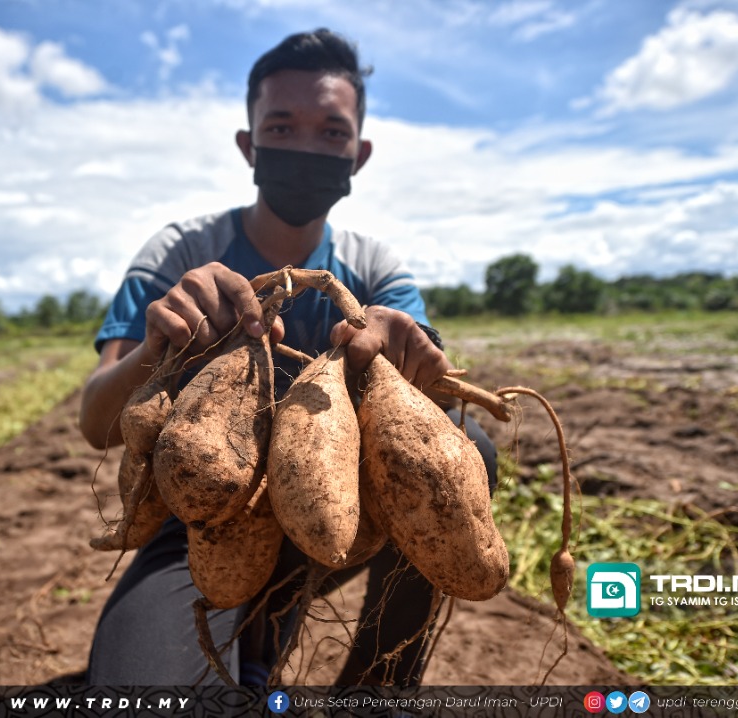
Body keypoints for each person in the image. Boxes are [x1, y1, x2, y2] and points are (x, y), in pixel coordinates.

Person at [79, 28, 496, 687]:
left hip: (329, 500)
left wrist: (409, 362)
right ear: (249, 145)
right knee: (143, 692)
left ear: (358, 154)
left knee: (473, 445)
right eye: (281, 126)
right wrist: (158, 350)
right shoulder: (183, 253)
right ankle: (250, 633)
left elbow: (432, 398)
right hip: (202, 516)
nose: (306, 147)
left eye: (331, 132)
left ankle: (379, 686)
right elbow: (96, 422)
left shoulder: (372, 268)